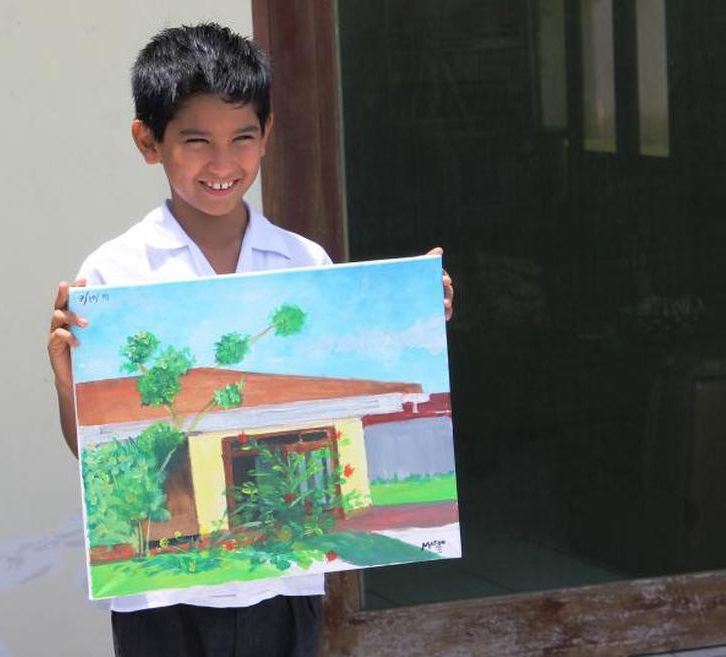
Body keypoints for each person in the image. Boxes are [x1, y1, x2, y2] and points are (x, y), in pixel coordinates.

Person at [47, 23, 454, 657]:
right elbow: (97, 458)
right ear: (148, 142)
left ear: (266, 136)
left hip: (283, 586)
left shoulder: (303, 264)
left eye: (242, 138)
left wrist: (421, 313)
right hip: (161, 599)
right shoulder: (112, 276)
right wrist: (66, 380)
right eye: (196, 140)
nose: (223, 163)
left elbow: (355, 392)